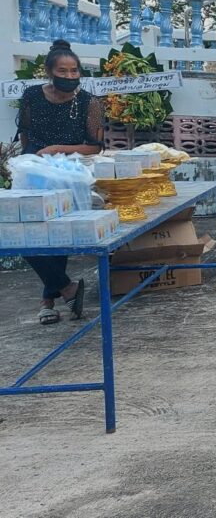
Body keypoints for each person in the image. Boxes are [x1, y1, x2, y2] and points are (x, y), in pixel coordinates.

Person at [17, 40, 104, 325]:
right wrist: (28, 163)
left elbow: (95, 146)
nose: (69, 76)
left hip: (69, 174)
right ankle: (67, 289)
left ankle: (48, 302)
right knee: (25, 234)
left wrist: (57, 149)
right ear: (49, 72)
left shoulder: (89, 102)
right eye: (62, 71)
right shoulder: (32, 96)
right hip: (33, 173)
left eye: (74, 71)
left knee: (58, 234)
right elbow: (25, 134)